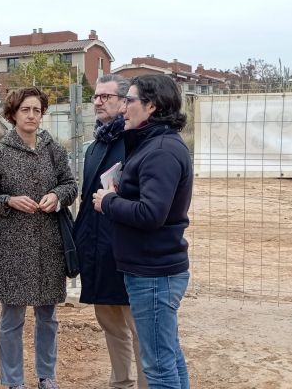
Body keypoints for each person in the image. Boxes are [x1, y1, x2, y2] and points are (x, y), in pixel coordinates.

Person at [0, 87, 78, 389]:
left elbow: (70, 185)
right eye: (25, 110)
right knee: (12, 320)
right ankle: (13, 380)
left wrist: (56, 196)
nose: (32, 115)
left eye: (36, 110)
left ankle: (47, 376)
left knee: (48, 317)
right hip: (13, 248)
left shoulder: (53, 149)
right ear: (13, 114)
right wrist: (8, 201)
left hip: (49, 247)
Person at [93, 74, 193, 389]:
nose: (123, 108)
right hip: (152, 269)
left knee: (159, 367)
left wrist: (109, 201)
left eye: (130, 100)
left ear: (151, 106)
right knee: (169, 357)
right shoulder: (155, 144)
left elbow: (152, 214)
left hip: (153, 274)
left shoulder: (160, 150)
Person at [73, 74, 146, 389]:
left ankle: (147, 385)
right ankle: (121, 382)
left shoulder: (137, 143)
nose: (99, 102)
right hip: (96, 252)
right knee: (110, 325)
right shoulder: (94, 146)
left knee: (140, 329)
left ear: (124, 101)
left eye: (107, 96)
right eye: (96, 97)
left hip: (128, 252)